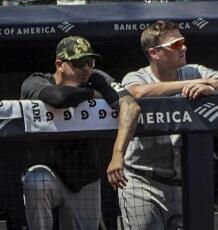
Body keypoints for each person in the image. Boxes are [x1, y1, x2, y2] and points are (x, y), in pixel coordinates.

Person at [115, 21, 218, 230]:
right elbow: (137, 92)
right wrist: (187, 85)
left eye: (184, 42)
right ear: (154, 53)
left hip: (183, 185)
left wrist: (213, 90)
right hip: (142, 183)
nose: (184, 48)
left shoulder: (195, 71)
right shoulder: (137, 76)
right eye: (176, 45)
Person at [22, 37, 139, 230]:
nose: (86, 68)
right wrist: (91, 93)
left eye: (89, 62)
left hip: (84, 176)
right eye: (78, 63)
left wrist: (118, 154)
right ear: (59, 64)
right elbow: (58, 97)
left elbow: (130, 107)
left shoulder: (97, 78)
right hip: (48, 173)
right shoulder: (36, 80)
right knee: (36, 180)